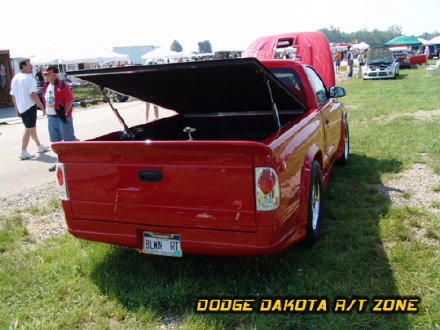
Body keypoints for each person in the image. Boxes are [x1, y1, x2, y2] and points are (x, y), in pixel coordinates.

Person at [10, 59, 50, 160]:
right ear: (23, 66)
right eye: (29, 65)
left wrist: (17, 108)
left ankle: (39, 146)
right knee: (29, 129)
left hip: (22, 107)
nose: (31, 67)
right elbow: (33, 95)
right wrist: (42, 107)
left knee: (32, 128)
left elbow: (13, 96)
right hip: (29, 107)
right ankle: (23, 151)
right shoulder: (29, 78)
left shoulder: (15, 78)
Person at [42, 65, 77, 171]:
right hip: (51, 117)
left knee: (69, 140)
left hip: (61, 117)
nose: (46, 76)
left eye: (48, 74)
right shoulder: (47, 86)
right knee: (56, 142)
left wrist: (64, 113)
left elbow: (69, 100)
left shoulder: (63, 85)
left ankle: (75, 159)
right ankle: (60, 162)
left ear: (54, 74)